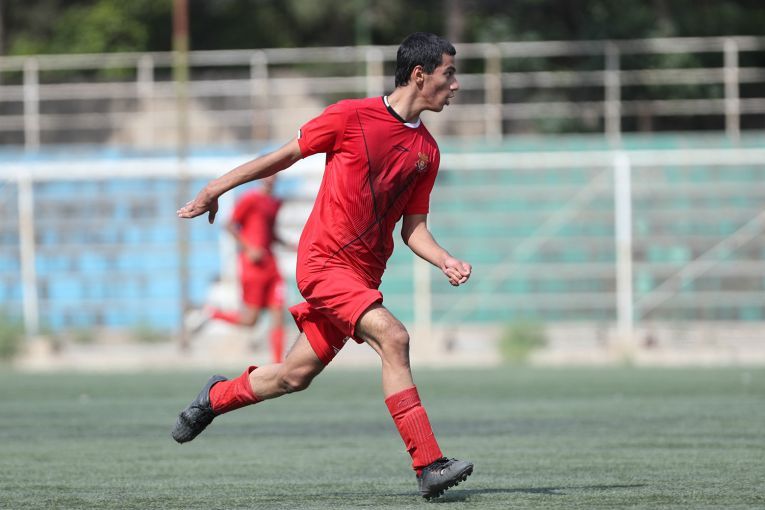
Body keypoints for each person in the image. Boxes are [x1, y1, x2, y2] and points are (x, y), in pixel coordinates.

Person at [172, 32, 473, 500]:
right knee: (394, 338)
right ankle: (428, 464)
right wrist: (216, 188)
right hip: (323, 265)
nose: (455, 85)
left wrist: (444, 259)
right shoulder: (351, 116)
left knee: (294, 375)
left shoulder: (427, 153)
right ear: (419, 75)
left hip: (362, 277)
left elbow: (413, 229)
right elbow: (283, 156)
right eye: (448, 74)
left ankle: (214, 398)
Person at [191, 175, 292, 363]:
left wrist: (291, 245)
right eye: (268, 174)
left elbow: (270, 233)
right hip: (252, 267)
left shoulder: (275, 203)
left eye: (274, 174)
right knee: (250, 320)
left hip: (271, 265)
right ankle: (213, 313)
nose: (270, 178)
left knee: (278, 312)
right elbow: (229, 224)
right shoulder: (250, 199)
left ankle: (278, 365)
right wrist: (249, 248)